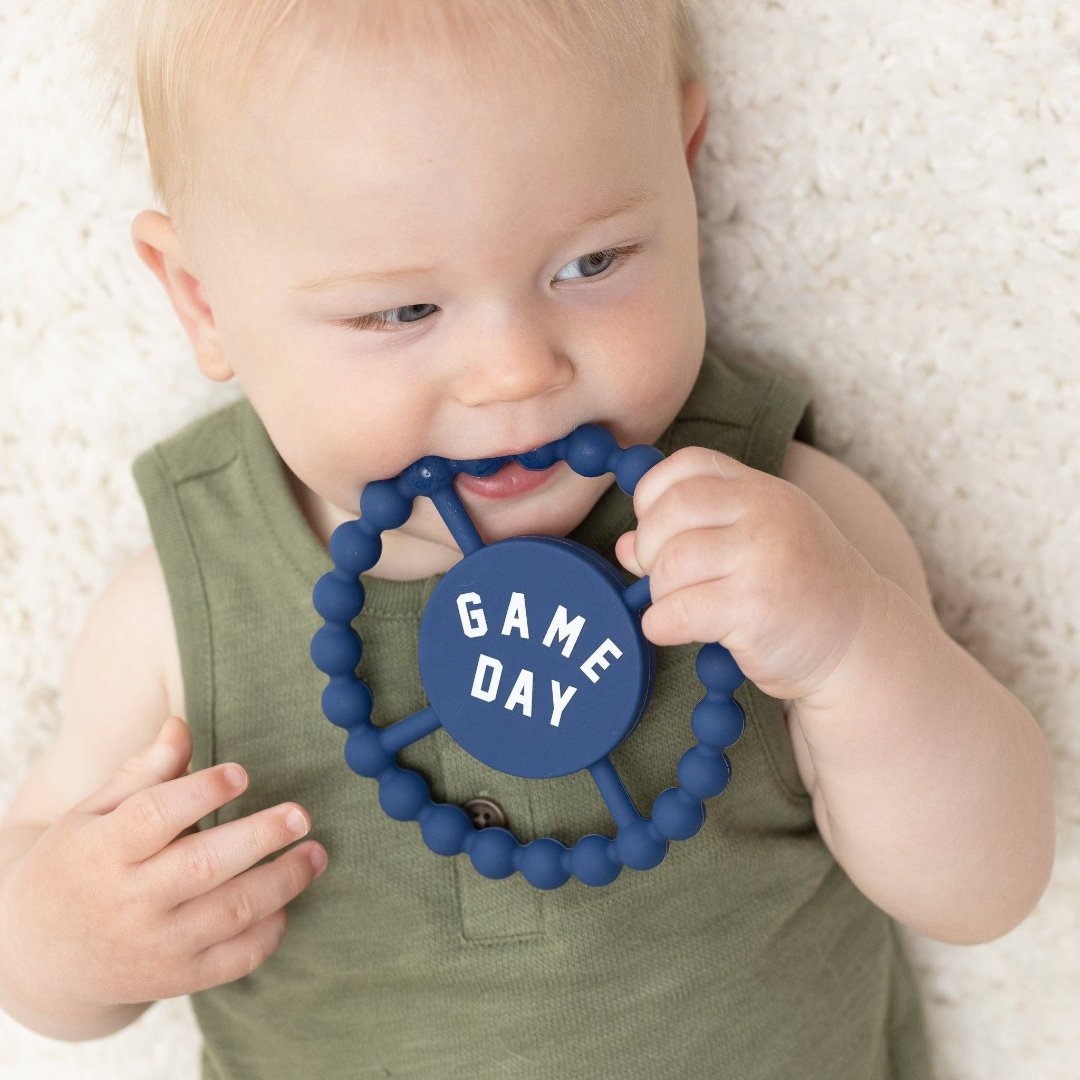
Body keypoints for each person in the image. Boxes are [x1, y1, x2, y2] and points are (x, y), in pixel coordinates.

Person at [0, 1, 1055, 1077]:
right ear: (203, 303)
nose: (515, 373)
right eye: (402, 312)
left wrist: (854, 648)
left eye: (593, 263)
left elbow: (985, 887)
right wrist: (59, 938)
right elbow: (30, 905)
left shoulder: (780, 531)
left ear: (686, 177)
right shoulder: (183, 610)